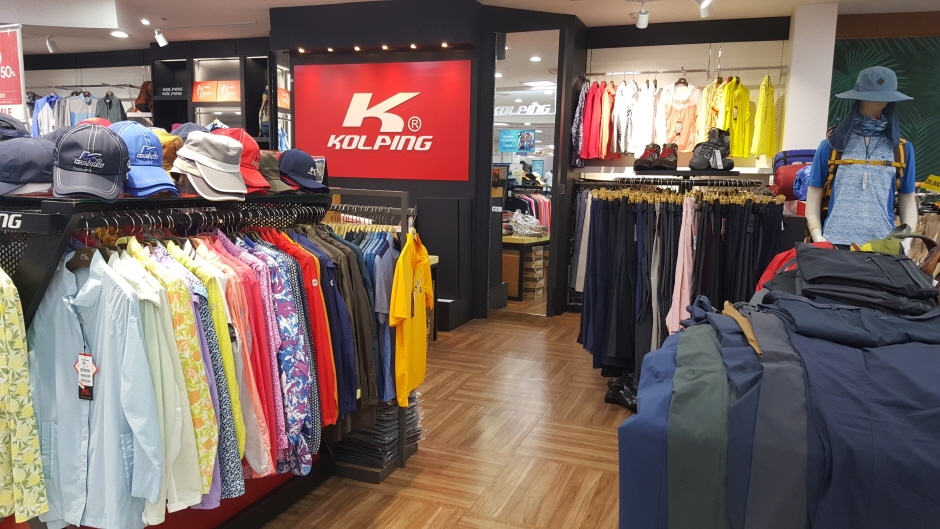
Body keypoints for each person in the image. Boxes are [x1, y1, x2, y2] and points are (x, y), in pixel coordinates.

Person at [805, 66, 916, 248]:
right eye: (871, 97)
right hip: (834, 243)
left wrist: (907, 240)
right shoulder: (832, 146)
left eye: (884, 97)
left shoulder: (902, 149)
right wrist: (818, 237)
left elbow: (908, 198)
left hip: (882, 245)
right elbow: (813, 195)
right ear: (858, 98)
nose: (878, 102)